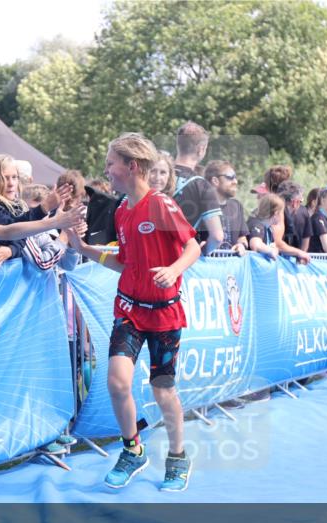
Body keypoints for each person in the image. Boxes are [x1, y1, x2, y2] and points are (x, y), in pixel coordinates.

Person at [71, 133, 201, 492]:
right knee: (117, 382)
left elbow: (193, 247)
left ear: (131, 167)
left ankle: (177, 457)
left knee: (163, 391)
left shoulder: (161, 206)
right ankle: (133, 450)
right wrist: (84, 248)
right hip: (129, 309)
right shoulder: (122, 210)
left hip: (165, 315)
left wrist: (174, 270)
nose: (106, 171)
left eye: (111, 163)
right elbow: (125, 264)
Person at [0, 154, 75, 269]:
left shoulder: (19, 206)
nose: (11, 183)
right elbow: (12, 231)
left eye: (14, 177)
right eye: (4, 178)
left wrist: (12, 250)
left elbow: (21, 235)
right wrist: (44, 208)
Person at [173, 121, 223, 254]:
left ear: (178, 145)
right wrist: (201, 253)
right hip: (180, 260)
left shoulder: (153, 177)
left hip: (147, 257)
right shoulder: (201, 185)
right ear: (201, 149)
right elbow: (217, 237)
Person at [204, 159, 248, 255]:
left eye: (235, 177)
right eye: (230, 177)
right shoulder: (200, 207)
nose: (235, 181)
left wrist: (241, 245)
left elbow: (242, 237)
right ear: (215, 181)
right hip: (205, 267)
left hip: (230, 268)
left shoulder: (236, 206)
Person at [276, 180, 312, 252]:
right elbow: (278, 243)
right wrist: (300, 254)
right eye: (300, 201)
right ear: (294, 202)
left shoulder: (271, 211)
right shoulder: (277, 215)